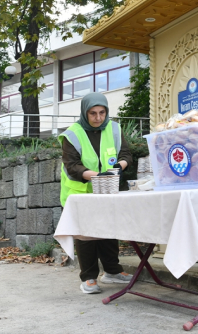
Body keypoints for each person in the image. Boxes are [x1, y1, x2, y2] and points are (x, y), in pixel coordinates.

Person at [59, 92, 134, 294]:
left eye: (102, 112)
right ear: (85, 112)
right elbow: (72, 166)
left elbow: (126, 154)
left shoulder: (114, 129)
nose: (98, 118)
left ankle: (112, 271)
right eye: (93, 113)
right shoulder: (72, 135)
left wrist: (119, 166)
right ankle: (89, 278)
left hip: (106, 192)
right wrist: (98, 176)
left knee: (109, 231)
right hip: (80, 193)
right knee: (86, 236)